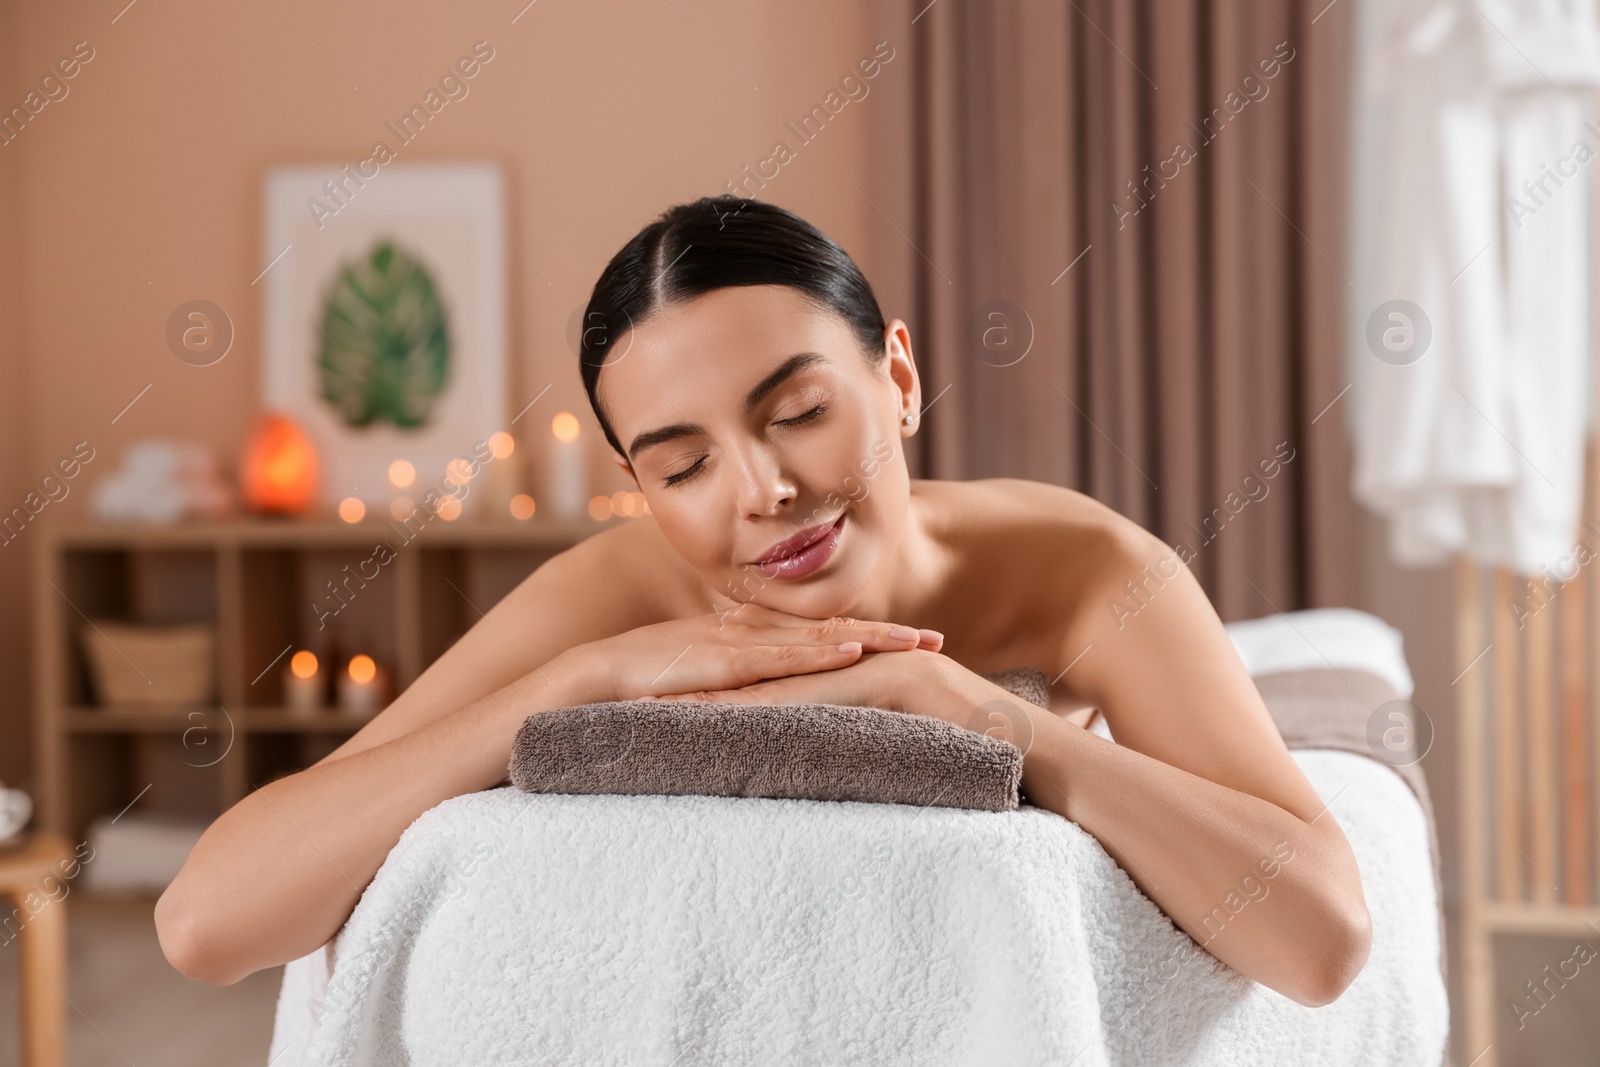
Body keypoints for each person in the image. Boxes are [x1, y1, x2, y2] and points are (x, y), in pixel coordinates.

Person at [156, 195, 1371, 1006]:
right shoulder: (615, 594)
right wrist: (576, 680)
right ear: (636, 484)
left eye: (797, 410)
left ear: (896, 376)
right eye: (681, 466)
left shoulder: (1081, 568)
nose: (766, 490)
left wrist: (965, 706)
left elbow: (1318, 936)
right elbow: (206, 920)